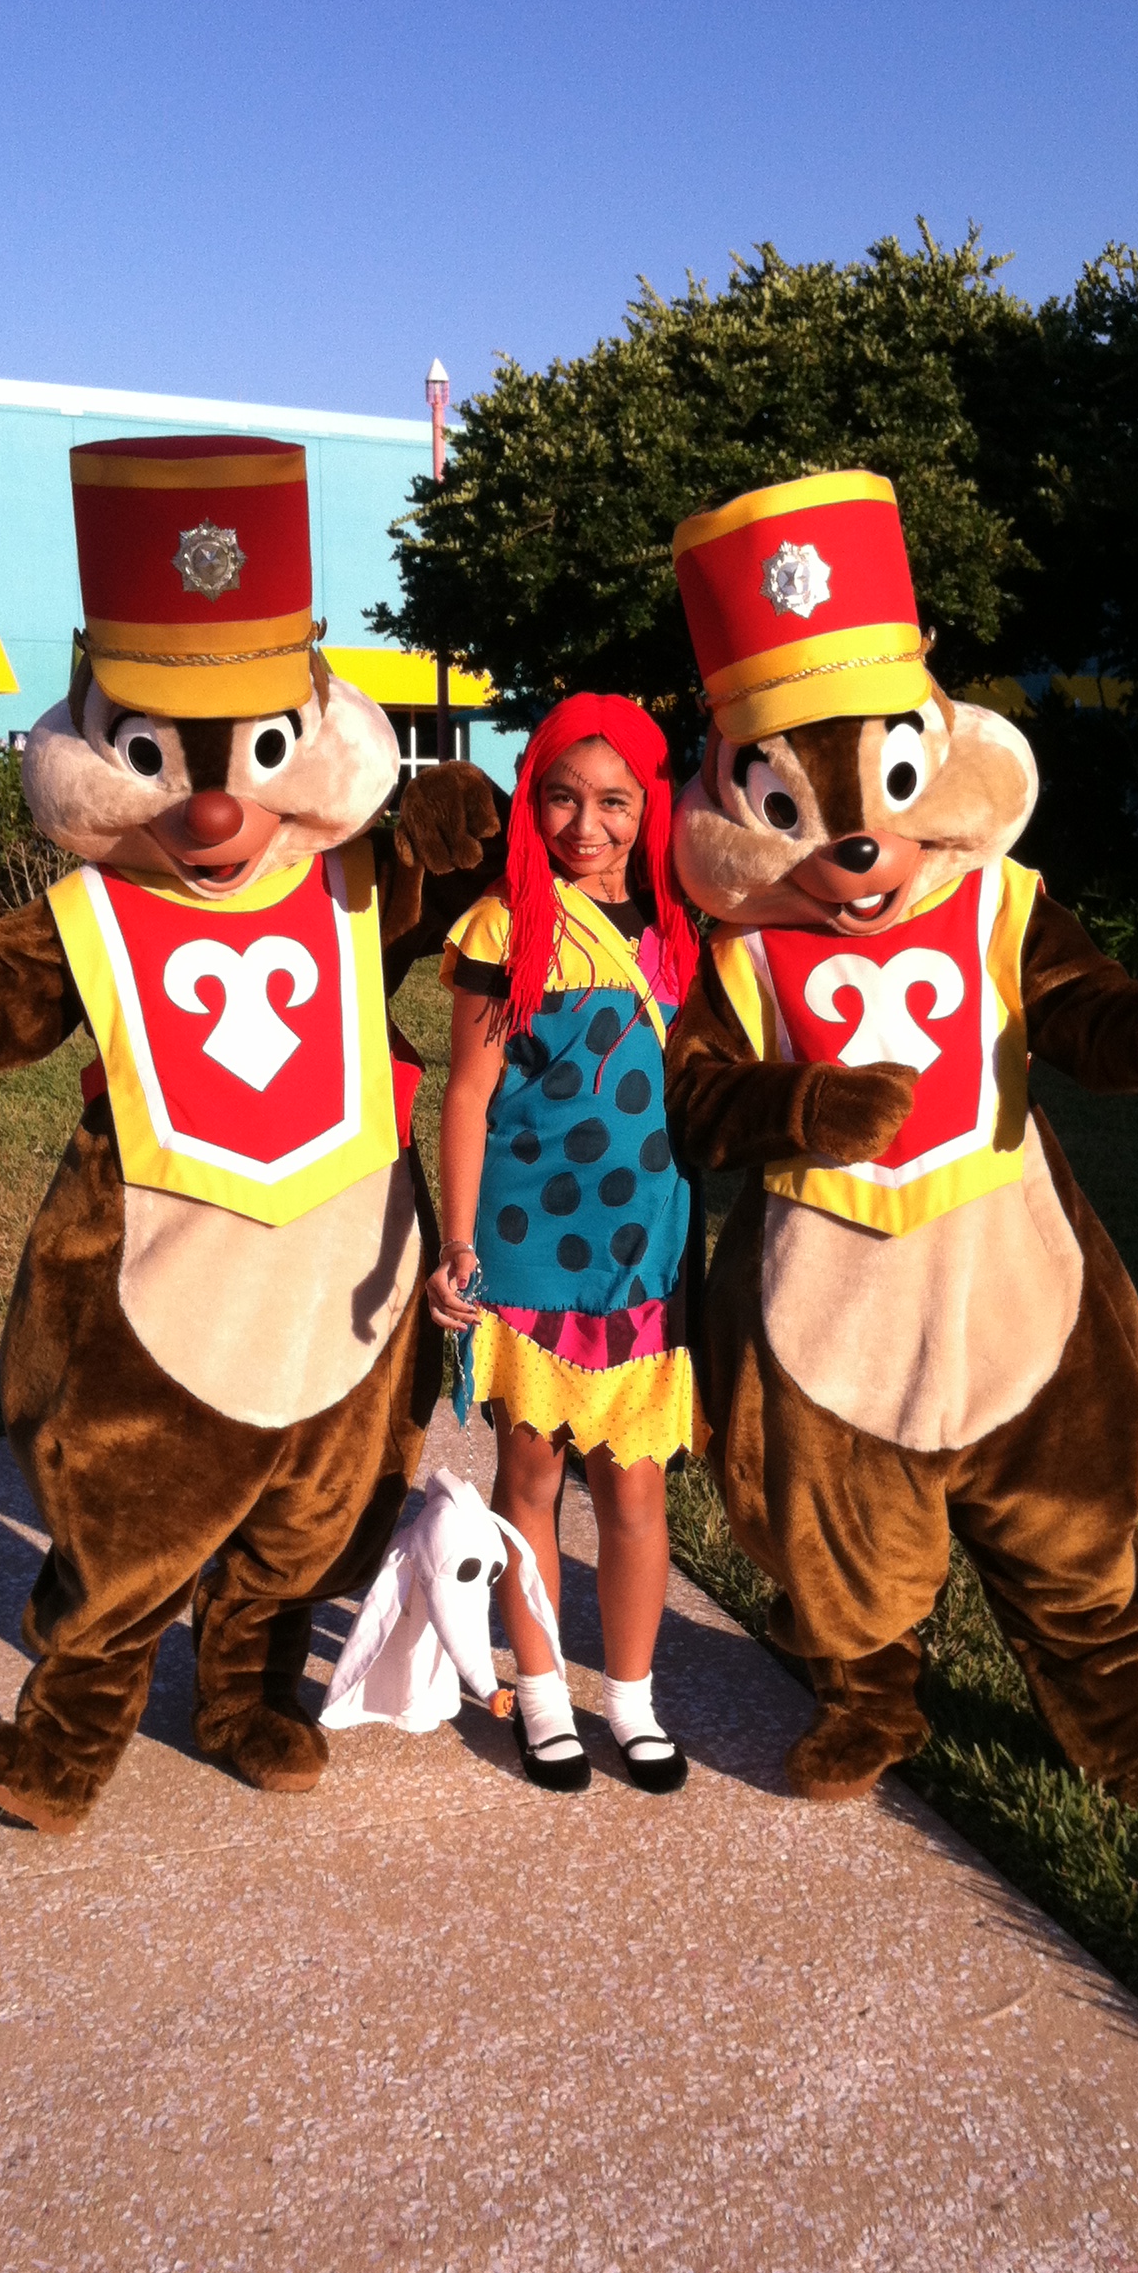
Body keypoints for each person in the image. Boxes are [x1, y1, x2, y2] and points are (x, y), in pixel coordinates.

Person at [426, 694, 703, 1794]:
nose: (586, 825)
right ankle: (541, 1697)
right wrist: (456, 1245)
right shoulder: (503, 926)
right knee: (530, 1480)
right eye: (560, 797)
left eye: (614, 801)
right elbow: (466, 1097)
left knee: (635, 1493)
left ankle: (630, 1702)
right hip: (528, 1250)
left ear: (651, 808)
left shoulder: (682, 923)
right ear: (529, 797)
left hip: (646, 1255)